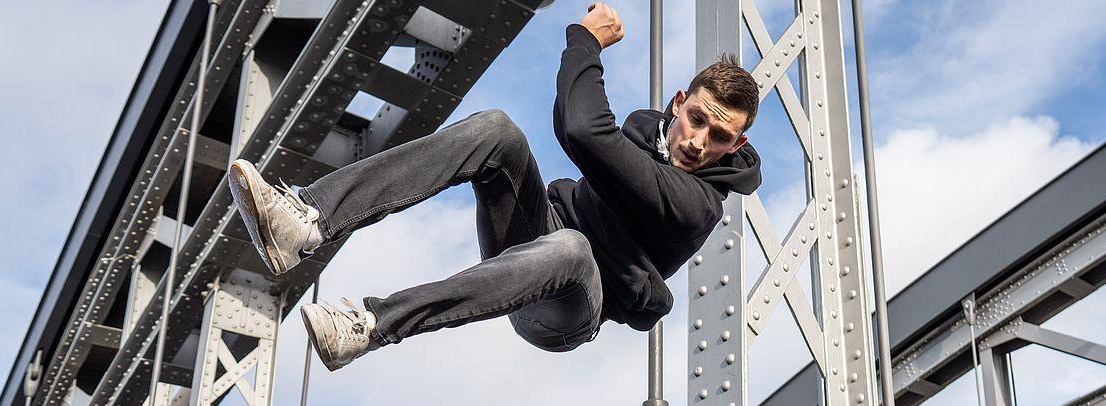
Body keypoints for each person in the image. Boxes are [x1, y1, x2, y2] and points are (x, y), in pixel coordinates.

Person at [227, 3, 761, 371]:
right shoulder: (644, 131)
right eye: (697, 119)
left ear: (735, 147)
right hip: (530, 241)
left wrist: (585, 43)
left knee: (573, 248)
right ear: (678, 103)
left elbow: (581, 129)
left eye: (720, 136)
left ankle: (370, 327)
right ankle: (307, 220)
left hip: (568, 308)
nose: (699, 141)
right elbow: (593, 135)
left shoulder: (696, 206)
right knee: (497, 130)